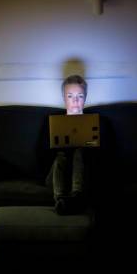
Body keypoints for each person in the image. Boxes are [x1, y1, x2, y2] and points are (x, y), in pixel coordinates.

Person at [46, 74, 89, 215]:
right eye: (70, 96)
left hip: (86, 174)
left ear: (85, 98)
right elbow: (41, 156)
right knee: (60, 156)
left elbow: (107, 154)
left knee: (79, 152)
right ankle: (60, 199)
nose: (75, 101)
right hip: (57, 174)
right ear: (64, 99)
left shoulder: (98, 121)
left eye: (80, 96)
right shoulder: (52, 121)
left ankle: (76, 197)